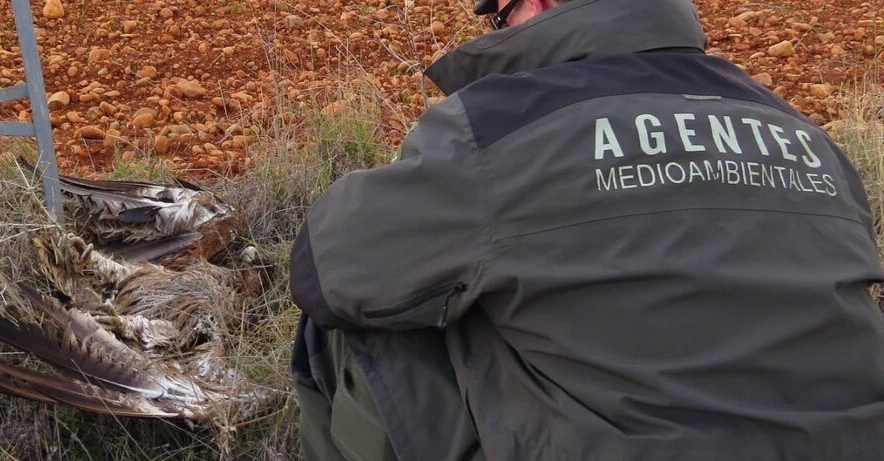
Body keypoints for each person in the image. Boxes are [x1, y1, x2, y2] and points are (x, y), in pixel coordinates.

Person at [290, 0, 884, 459]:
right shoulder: (804, 135)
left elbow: (326, 266)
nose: (494, 33)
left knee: (352, 316)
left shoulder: (498, 124)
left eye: (500, 13)